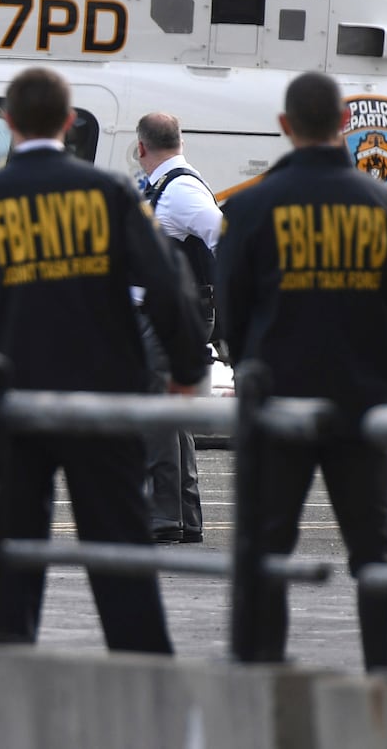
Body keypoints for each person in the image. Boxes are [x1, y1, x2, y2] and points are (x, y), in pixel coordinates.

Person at [0, 67, 208, 654]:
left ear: (8, 122)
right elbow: (168, 283)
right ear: (70, 123)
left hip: (13, 406)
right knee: (120, 557)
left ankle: (3, 679)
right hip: (102, 402)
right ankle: (145, 679)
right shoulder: (113, 195)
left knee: (10, 562)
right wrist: (184, 371)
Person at [214, 71, 387, 671]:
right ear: (345, 125)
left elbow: (232, 311)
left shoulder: (250, 206)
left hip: (277, 395)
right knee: (374, 548)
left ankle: (259, 663)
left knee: (266, 542)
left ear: (286, 126)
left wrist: (252, 360)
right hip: (366, 395)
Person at [135, 111, 217, 544]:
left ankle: (164, 516)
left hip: (170, 316)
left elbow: (224, 235)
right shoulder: (163, 187)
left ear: (141, 146)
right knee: (172, 413)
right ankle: (183, 515)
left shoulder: (180, 189)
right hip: (164, 313)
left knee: (158, 414)